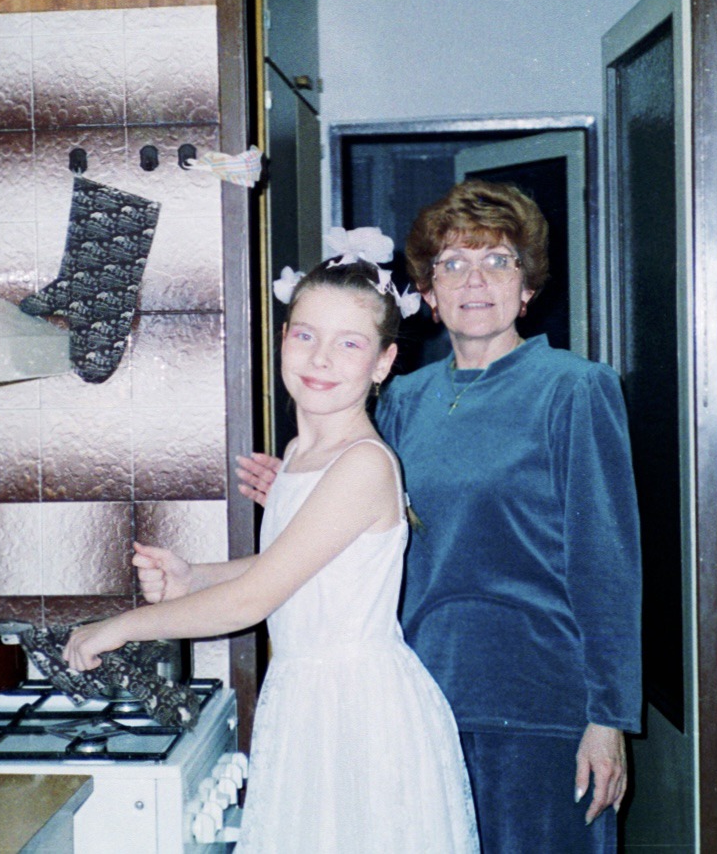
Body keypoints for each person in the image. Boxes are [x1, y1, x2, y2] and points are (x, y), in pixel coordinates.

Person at [240, 181, 643, 853]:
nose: (474, 280)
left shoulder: (573, 388)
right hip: (417, 701)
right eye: (452, 264)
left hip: (540, 706)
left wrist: (608, 717)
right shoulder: (403, 399)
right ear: (427, 292)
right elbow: (375, 527)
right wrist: (298, 489)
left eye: (497, 261)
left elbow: (606, 562)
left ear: (527, 286)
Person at [65, 238, 479, 854]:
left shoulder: (362, 464)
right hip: (310, 699)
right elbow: (299, 568)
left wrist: (120, 626)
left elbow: (251, 602)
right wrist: (194, 574)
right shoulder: (299, 454)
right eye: (305, 335)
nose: (320, 358)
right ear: (283, 337)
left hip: (355, 709)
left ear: (383, 362)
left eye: (349, 343)